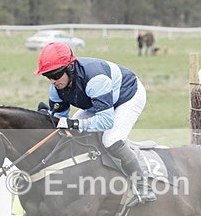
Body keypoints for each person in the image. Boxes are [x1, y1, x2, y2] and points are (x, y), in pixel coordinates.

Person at [35, 42, 156, 207]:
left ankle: (143, 187)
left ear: (70, 68)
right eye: (48, 76)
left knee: (111, 139)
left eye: (55, 75)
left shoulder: (95, 79)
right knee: (72, 134)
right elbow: (59, 122)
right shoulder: (55, 88)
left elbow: (106, 121)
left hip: (127, 96)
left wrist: (74, 123)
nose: (52, 81)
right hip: (98, 102)